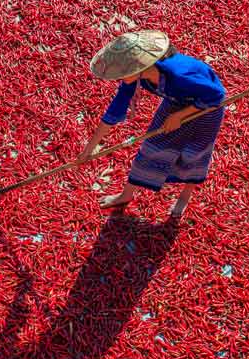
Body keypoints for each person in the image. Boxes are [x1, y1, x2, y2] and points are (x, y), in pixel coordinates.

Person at [79, 29, 227, 218]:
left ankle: (185, 195)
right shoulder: (135, 77)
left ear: (139, 67)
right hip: (175, 102)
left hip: (206, 109)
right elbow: (115, 110)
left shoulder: (179, 75)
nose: (119, 77)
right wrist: (90, 149)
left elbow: (216, 95)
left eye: (122, 73)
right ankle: (126, 195)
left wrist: (180, 116)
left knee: (194, 153)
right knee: (151, 147)